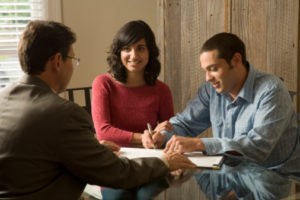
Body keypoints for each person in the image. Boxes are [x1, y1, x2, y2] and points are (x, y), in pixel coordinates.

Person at [0, 20, 196, 200]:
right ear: (58, 61)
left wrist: (96, 149)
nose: (73, 67)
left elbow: (41, 154)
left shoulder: (3, 99)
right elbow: (116, 173)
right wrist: (165, 162)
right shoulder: (64, 113)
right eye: (73, 59)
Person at [150, 32, 300, 175]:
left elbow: (259, 147)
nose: (208, 78)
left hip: (278, 181)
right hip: (229, 177)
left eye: (213, 69)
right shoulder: (211, 89)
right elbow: (184, 123)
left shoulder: (271, 90)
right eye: (205, 70)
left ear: (236, 60)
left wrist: (199, 144)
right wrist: (162, 136)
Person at [92, 20, 174, 148]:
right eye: (126, 49)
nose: (134, 56)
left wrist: (159, 135)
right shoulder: (103, 83)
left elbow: (169, 132)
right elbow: (103, 132)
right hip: (114, 159)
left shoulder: (162, 90)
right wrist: (143, 137)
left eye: (140, 48)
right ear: (119, 53)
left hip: (150, 159)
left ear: (150, 52)